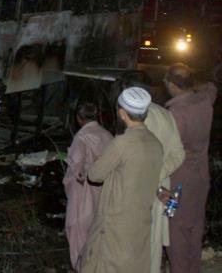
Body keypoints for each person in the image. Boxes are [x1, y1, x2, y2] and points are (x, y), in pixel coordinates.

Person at [80, 87, 163, 273]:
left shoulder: (122, 143)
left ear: (122, 113)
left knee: (107, 265)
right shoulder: (155, 143)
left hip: (115, 221)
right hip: (140, 218)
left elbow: (95, 175)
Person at [163, 63, 217, 273]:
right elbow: (211, 86)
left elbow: (170, 151)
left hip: (178, 184)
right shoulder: (204, 100)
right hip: (201, 180)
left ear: (172, 85)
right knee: (195, 228)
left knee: (175, 232)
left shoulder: (176, 113)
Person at [63, 102, 113, 271]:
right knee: (97, 230)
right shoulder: (107, 135)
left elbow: (76, 168)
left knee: (78, 229)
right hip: (104, 189)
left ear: (79, 118)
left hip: (84, 190)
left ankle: (81, 267)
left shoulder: (82, 137)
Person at [144, 102, 185, 273]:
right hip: (161, 187)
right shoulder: (164, 113)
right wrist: (161, 173)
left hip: (143, 190)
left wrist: (154, 175)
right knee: (153, 247)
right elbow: (178, 153)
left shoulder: (135, 115)